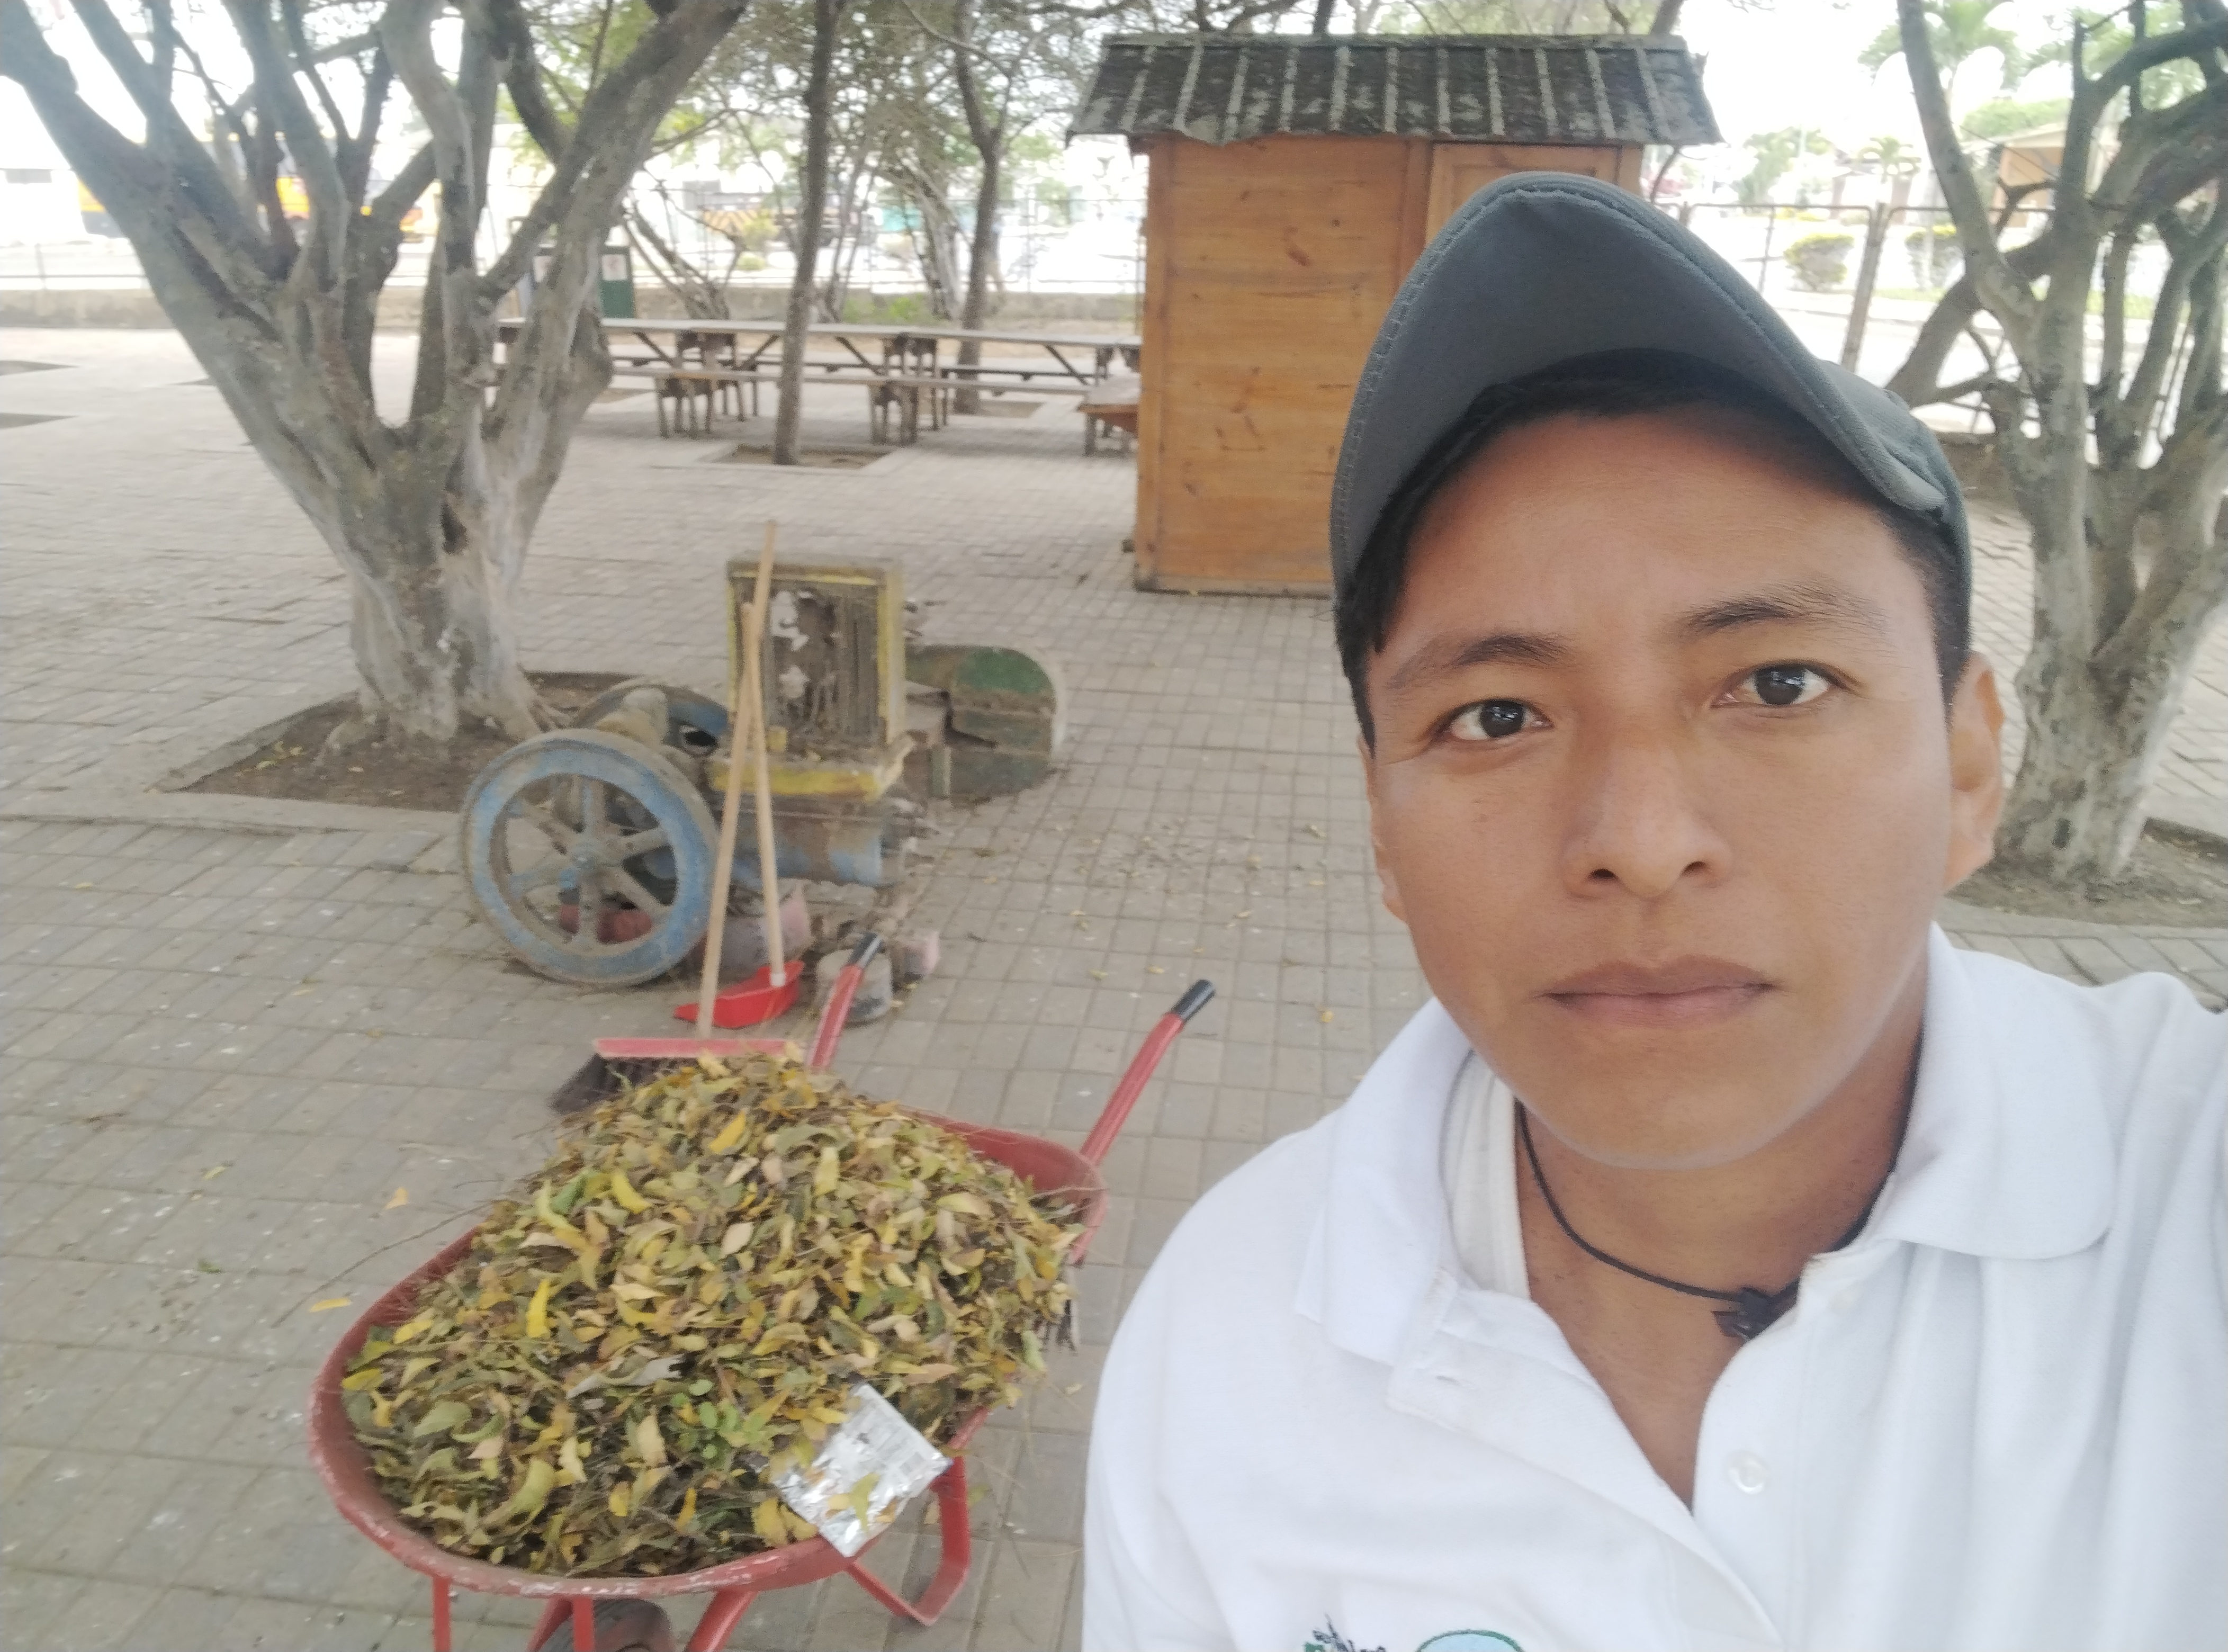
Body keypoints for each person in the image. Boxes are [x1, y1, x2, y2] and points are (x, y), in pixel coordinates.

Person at [1081, 174, 2225, 1652]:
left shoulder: (2186, 1200)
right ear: (1379, 823)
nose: (1638, 844)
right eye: (1497, 716)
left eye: (1779, 685)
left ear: (1967, 767)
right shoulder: (1232, 1331)